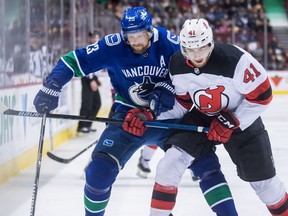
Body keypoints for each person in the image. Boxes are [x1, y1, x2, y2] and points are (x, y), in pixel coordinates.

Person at [33, 7, 238, 215]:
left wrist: (169, 92)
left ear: (149, 31)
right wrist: (52, 85)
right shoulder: (112, 46)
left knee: (208, 166)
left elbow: (197, 76)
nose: (136, 41)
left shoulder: (171, 44)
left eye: (140, 36)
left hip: (170, 116)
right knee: (98, 173)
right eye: (131, 37)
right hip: (128, 118)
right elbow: (72, 60)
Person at [148, 18, 288, 216]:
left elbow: (263, 96)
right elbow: (184, 103)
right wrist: (151, 115)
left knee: (266, 187)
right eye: (190, 49)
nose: (197, 56)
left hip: (241, 117)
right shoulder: (177, 64)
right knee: (169, 164)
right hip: (203, 116)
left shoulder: (235, 59)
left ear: (210, 43)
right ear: (183, 48)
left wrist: (234, 120)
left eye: (202, 48)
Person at [77, 30, 103, 133]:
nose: (95, 39)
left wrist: (96, 79)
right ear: (90, 39)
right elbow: (87, 66)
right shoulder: (88, 50)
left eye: (96, 37)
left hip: (93, 78)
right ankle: (82, 126)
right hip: (87, 78)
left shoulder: (99, 50)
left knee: (97, 103)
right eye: (93, 38)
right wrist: (92, 79)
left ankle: (88, 124)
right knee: (87, 103)